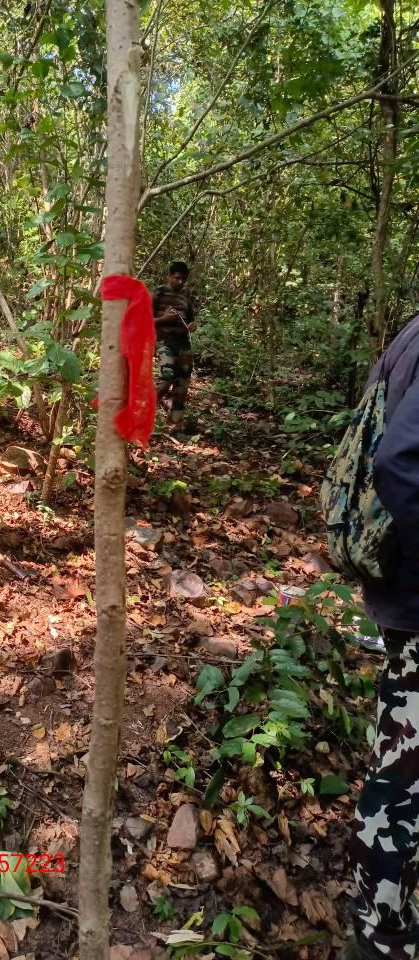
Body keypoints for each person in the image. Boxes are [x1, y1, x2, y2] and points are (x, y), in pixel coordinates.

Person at [341, 313, 419, 960]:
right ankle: (382, 929)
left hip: (401, 586)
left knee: (401, 754)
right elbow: (399, 462)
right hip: (414, 595)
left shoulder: (410, 332)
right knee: (405, 773)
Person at [152, 260, 197, 427]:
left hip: (183, 345)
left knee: (182, 386)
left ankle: (175, 425)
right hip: (164, 342)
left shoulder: (186, 298)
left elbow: (191, 320)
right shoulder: (158, 293)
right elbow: (143, 320)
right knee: (166, 378)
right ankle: (141, 412)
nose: (180, 282)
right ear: (169, 276)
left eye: (183, 279)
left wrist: (192, 326)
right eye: (177, 278)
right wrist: (163, 318)